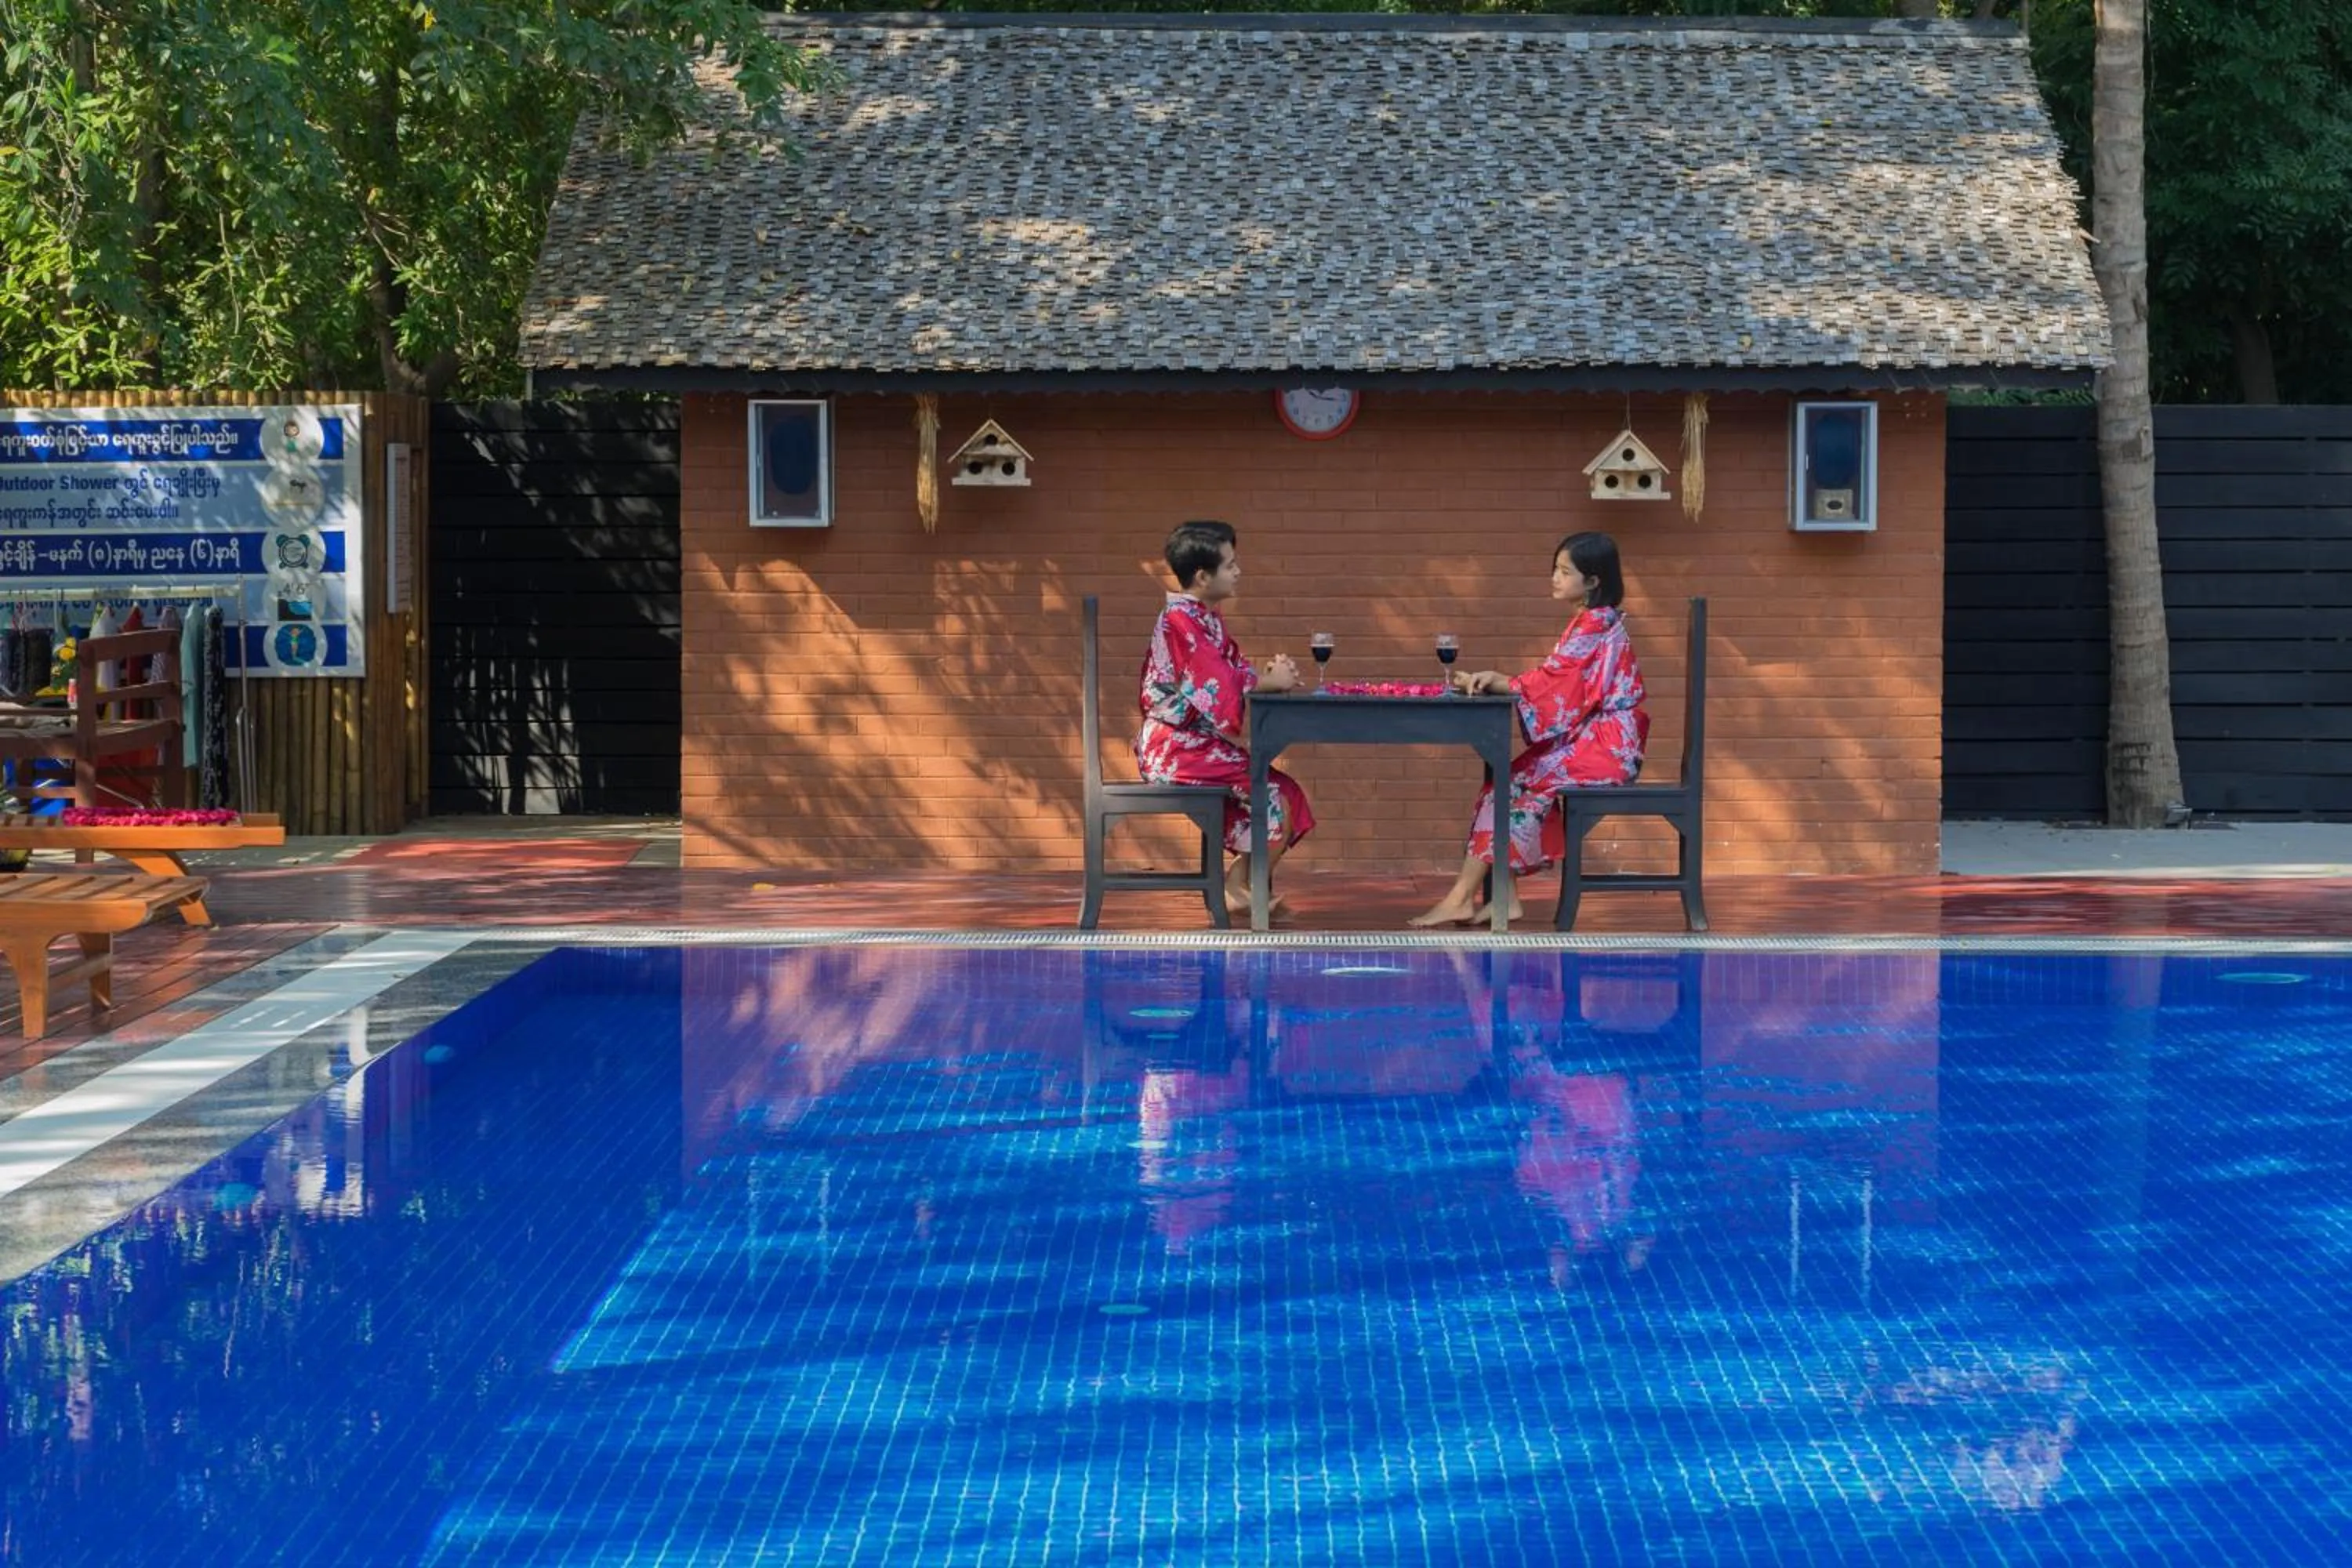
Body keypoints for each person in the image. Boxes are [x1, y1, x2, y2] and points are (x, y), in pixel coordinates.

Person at [1409, 531, 1650, 927]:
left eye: (1564, 571)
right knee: (1504, 782)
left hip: (1608, 746)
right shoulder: (1592, 621)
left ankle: (1462, 898)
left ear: (1592, 581)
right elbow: (1557, 682)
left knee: (1508, 785)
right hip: (1595, 740)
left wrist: (1500, 680)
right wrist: (1500, 679)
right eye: (1555, 569)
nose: (1554, 578)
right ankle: (1501, 899)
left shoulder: (1595, 623)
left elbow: (1554, 681)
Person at [1134, 519, 1311, 917]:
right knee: (1275, 794)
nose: (1238, 571)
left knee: (1287, 794)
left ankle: (1238, 885)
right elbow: (1219, 686)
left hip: (1197, 745)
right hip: (1174, 747)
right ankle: (1240, 888)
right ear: (1202, 575)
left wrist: (1266, 677)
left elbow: (1234, 672)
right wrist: (1265, 684)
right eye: (1230, 565)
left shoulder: (1207, 619)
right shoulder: (1181, 620)